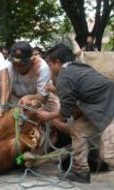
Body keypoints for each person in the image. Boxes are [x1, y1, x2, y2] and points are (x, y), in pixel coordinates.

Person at [46, 43, 114, 183]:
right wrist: (56, 90)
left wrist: (48, 116)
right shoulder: (78, 66)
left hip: (109, 107)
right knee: (78, 129)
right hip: (102, 108)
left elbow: (65, 111)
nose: (50, 68)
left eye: (50, 65)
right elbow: (75, 92)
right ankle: (81, 171)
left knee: (108, 155)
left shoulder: (64, 76)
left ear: (57, 62)